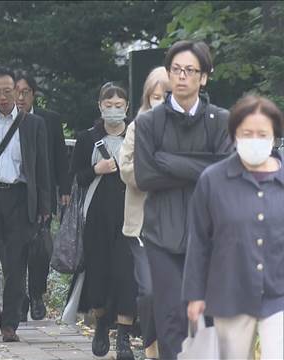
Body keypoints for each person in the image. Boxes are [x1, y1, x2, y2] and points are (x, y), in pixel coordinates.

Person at [134, 40, 233, 359]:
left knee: (206, 319)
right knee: (170, 319)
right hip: (161, 233)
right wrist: (200, 165)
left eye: (190, 70)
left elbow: (224, 174)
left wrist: (168, 159)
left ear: (203, 77)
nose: (182, 77)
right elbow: (145, 176)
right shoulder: (150, 122)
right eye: (176, 69)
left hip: (209, 236)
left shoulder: (220, 120)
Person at [183, 95, 284, 360]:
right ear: (234, 135)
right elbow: (199, 241)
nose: (255, 139)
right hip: (230, 291)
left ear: (274, 136)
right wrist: (195, 295)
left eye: (262, 134)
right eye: (247, 133)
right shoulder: (213, 181)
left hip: (280, 293)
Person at [0, 67, 51, 342]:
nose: (3, 97)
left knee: (16, 264)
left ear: (17, 92)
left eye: (8, 91)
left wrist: (44, 205)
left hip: (19, 197)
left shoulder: (33, 124)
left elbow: (41, 167)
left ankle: (10, 322)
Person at [70, 82, 137, 359]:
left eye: (118, 105)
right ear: (99, 106)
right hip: (96, 216)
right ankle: (100, 324)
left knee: (126, 275)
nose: (113, 110)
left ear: (127, 107)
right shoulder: (87, 138)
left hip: (130, 216)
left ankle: (123, 335)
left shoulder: (136, 134)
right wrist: (96, 169)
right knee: (98, 273)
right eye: (108, 105)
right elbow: (77, 177)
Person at [118, 66, 169, 360]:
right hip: (141, 225)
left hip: (177, 224)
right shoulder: (138, 127)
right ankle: (150, 345)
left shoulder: (185, 127)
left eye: (166, 96)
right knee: (149, 289)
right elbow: (127, 168)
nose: (159, 101)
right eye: (155, 96)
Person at [15, 70, 71, 321]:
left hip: (42, 194)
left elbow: (60, 157)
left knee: (40, 248)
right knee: (15, 250)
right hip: (13, 194)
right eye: (15, 92)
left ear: (33, 94)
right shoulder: (5, 120)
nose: (20, 97)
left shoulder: (49, 120)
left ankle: (36, 293)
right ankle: (19, 298)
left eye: (25, 92)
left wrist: (65, 189)